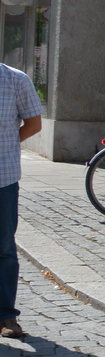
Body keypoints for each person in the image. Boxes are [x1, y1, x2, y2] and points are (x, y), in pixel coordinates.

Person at [0, 63, 42, 340]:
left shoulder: (15, 79)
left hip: (3, 176)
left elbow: (34, 123)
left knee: (4, 249)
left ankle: (6, 316)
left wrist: (8, 144)